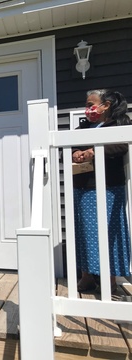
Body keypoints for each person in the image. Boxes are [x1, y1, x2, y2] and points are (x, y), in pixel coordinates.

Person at [72, 89, 131, 293]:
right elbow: (72, 149)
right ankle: (86, 277)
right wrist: (78, 153)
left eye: (91, 104)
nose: (88, 109)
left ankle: (110, 280)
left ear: (105, 105)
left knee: (110, 232)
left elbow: (122, 146)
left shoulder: (119, 124)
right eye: (87, 105)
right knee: (85, 233)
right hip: (84, 187)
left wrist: (94, 151)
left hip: (110, 187)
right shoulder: (83, 127)